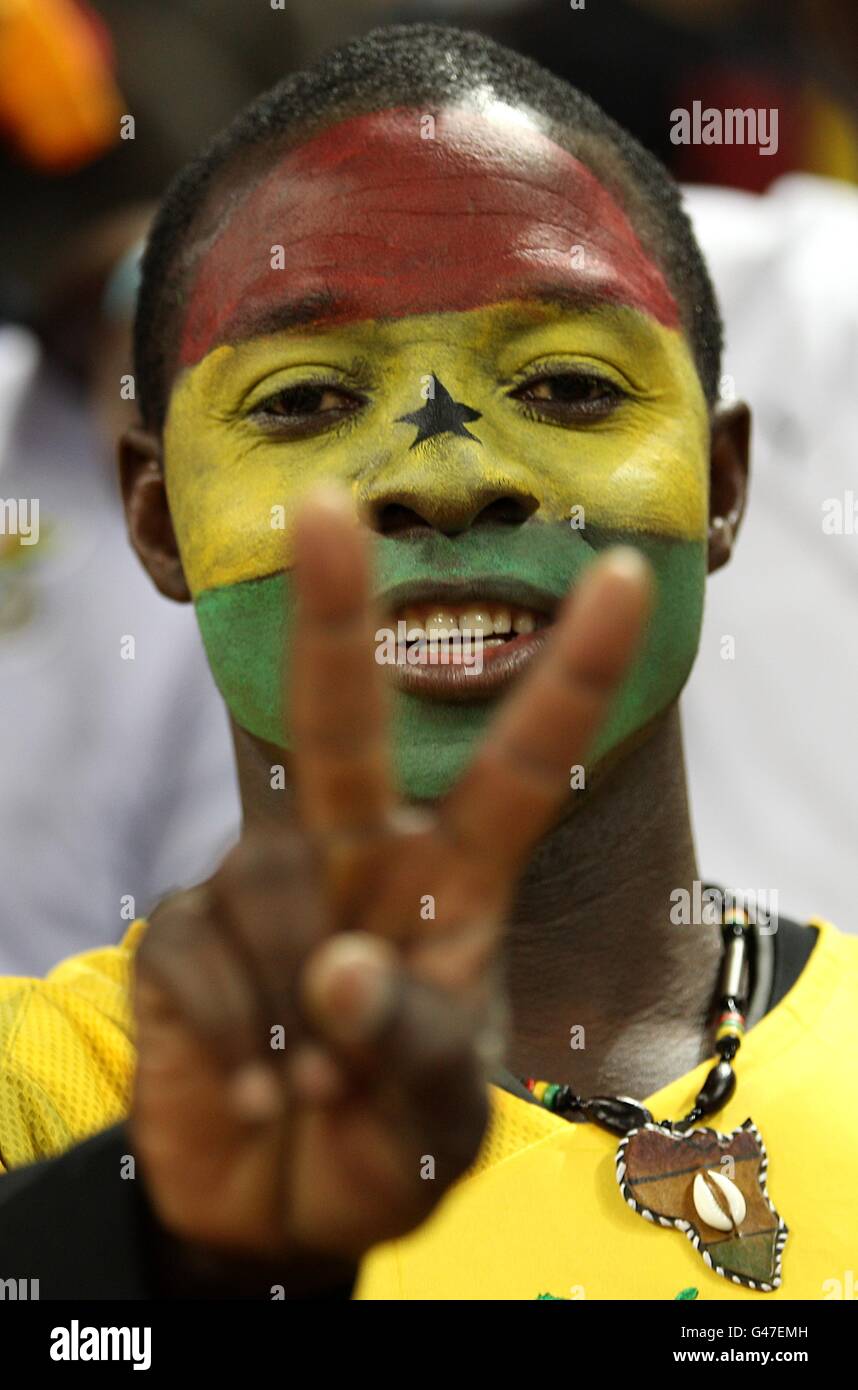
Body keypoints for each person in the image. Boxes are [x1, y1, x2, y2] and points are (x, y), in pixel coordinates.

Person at [0, 24, 855, 1301]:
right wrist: (158, 1260)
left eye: (568, 386)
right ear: (157, 517)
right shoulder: (39, 1094)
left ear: (725, 487)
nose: (445, 477)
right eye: (302, 400)